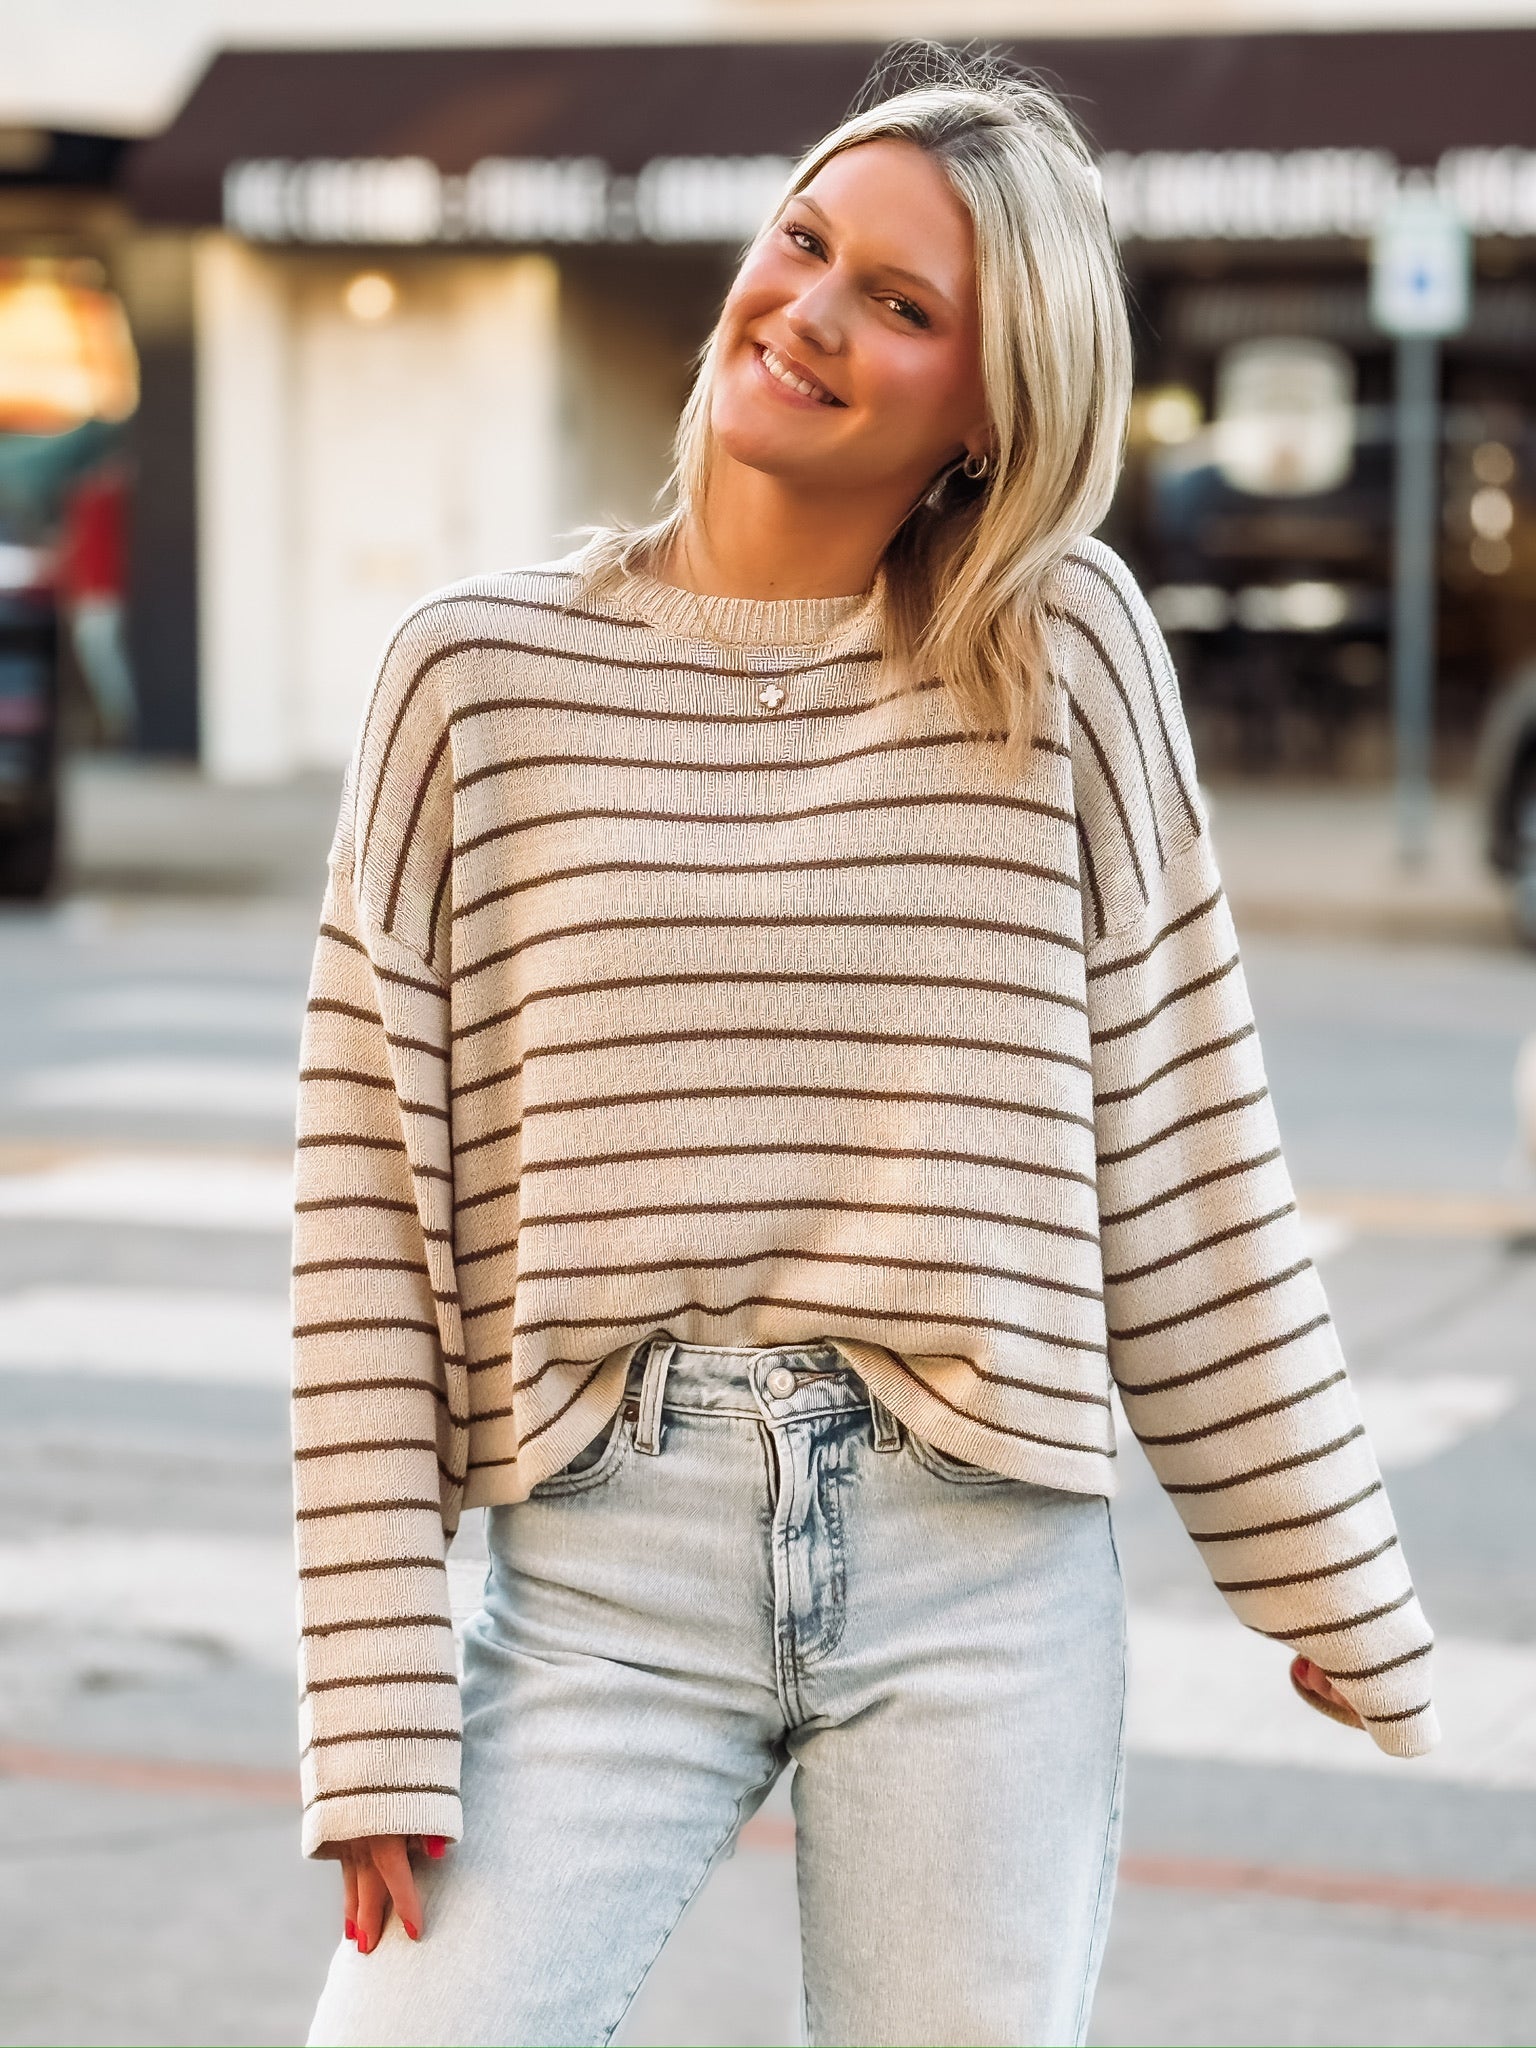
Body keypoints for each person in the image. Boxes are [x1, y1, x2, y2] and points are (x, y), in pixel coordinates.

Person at [293, 47, 1439, 2048]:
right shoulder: (471, 678)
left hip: (978, 1569)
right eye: (806, 241)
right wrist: (374, 1693)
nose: (808, 310)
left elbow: (1187, 1165)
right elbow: (369, 1217)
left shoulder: (1057, 656)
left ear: (992, 409)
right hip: (597, 1575)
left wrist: (1326, 1575)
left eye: (900, 304)